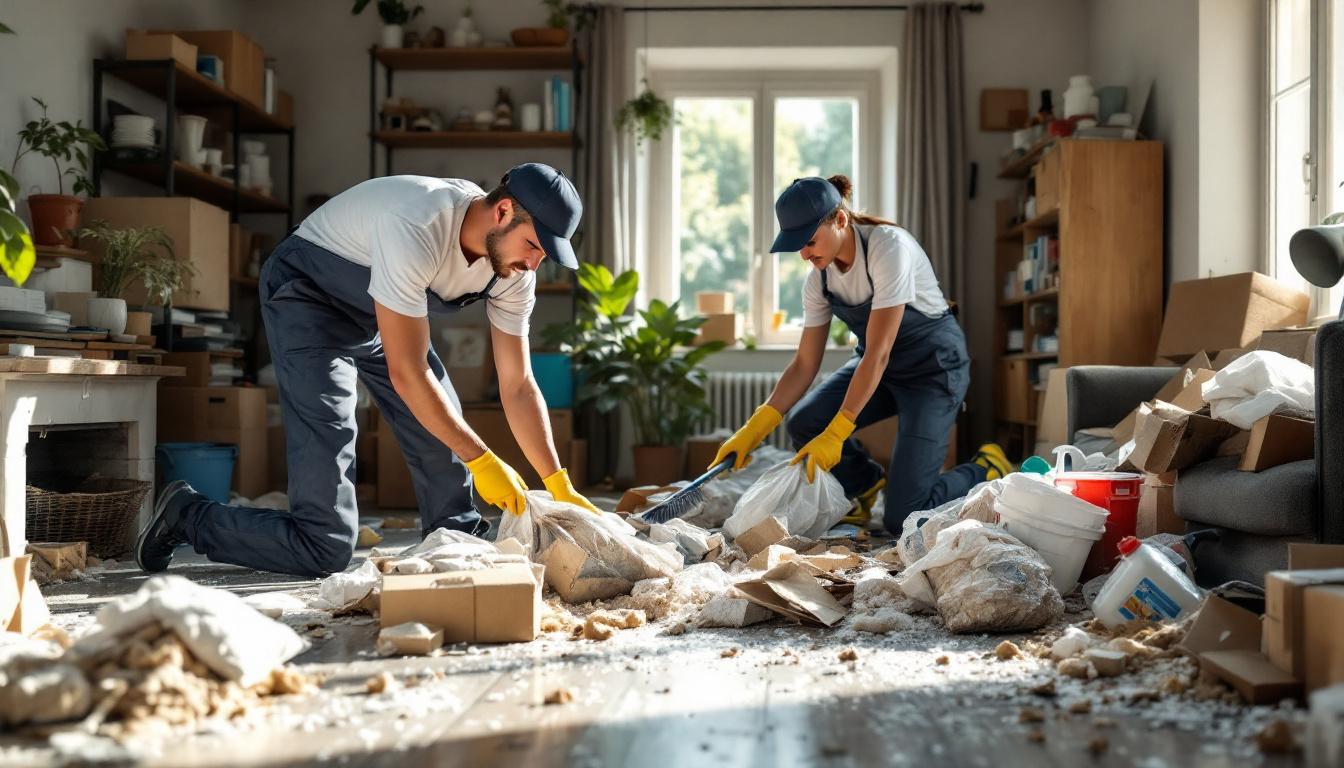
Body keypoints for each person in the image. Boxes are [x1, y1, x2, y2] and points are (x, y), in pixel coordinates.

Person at [135, 163, 598, 578]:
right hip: (307, 298)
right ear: (503, 212)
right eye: (534, 245)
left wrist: (558, 482)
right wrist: (482, 459)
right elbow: (408, 373)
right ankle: (187, 514)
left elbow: (518, 385)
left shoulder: (514, 272)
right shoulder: (419, 222)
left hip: (377, 313)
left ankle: (456, 544)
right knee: (326, 544)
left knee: (447, 455)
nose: (535, 263)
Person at [710, 175, 1009, 532]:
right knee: (804, 421)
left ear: (839, 220)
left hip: (933, 371)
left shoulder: (888, 248)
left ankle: (986, 467)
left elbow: (878, 352)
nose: (804, 254)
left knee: (904, 518)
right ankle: (863, 484)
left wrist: (837, 433)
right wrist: (753, 428)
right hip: (879, 370)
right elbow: (805, 364)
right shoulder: (819, 281)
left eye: (808, 241)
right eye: (797, 246)